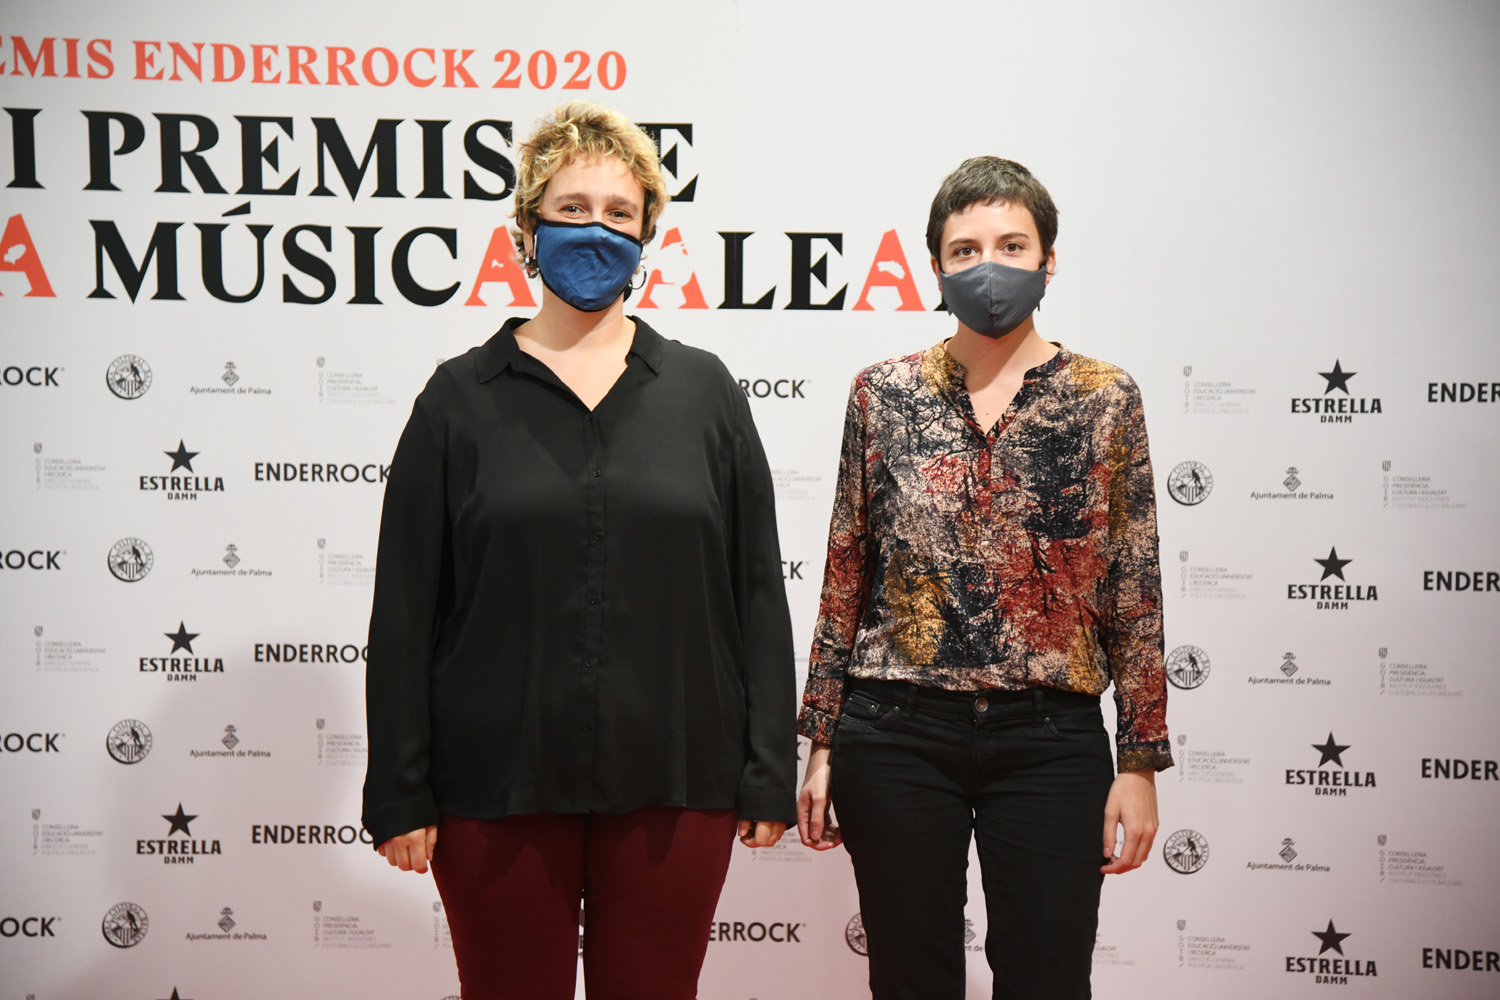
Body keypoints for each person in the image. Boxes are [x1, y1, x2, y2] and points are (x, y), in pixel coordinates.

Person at [361, 101, 797, 1000]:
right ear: (527, 230)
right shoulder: (457, 402)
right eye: (571, 208)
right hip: (494, 784)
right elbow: (405, 609)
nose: (595, 229)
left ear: (646, 236)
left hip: (677, 778)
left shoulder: (706, 394)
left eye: (618, 213)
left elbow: (756, 591)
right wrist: (400, 789)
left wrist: (767, 771)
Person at [795, 156, 1172, 999]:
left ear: (1048, 259)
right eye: (964, 250)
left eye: (1011, 245)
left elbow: (1134, 585)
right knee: (909, 979)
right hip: (895, 731)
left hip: (1050, 736)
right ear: (935, 265)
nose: (988, 266)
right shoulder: (883, 394)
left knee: (1048, 979)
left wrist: (1140, 761)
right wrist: (822, 741)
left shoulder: (1105, 397)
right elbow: (847, 569)